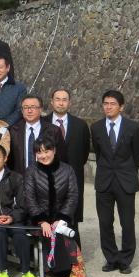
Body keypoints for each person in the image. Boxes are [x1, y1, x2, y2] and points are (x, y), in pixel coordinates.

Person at [91, 89, 139, 274]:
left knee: (127, 222)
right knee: (105, 222)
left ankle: (125, 259)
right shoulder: (96, 127)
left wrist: (127, 172)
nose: (108, 107)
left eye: (113, 103)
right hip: (104, 180)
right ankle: (111, 258)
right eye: (106, 103)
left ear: (121, 106)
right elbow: (99, 154)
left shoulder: (133, 127)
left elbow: (137, 155)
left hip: (125, 180)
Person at [25, 134, 86, 277]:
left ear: (54, 150)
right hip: (40, 217)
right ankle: (54, 270)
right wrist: (41, 220)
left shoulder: (67, 170)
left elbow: (72, 195)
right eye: (39, 152)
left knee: (65, 233)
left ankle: (71, 272)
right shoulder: (31, 171)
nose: (43, 155)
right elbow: (29, 198)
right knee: (48, 232)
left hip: (61, 216)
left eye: (46, 151)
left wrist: (62, 218)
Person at [0, 144, 38, 277]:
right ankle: (3, 271)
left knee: (20, 235)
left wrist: (11, 217)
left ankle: (26, 272)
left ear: (5, 158)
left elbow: (23, 204)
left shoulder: (16, 178)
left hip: (14, 218)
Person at [48, 88, 91, 231]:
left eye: (64, 100)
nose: (61, 103)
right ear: (52, 102)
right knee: (48, 217)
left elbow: (84, 153)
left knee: (71, 219)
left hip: (73, 177)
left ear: (70, 103)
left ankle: (73, 252)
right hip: (48, 177)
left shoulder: (81, 125)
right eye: (57, 99)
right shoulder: (43, 123)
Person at [9, 95, 65, 175]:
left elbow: (61, 157)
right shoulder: (13, 130)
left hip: (46, 179)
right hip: (20, 180)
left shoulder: (53, 130)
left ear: (41, 109)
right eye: (25, 107)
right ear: (22, 110)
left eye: (33, 107)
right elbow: (10, 160)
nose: (29, 110)